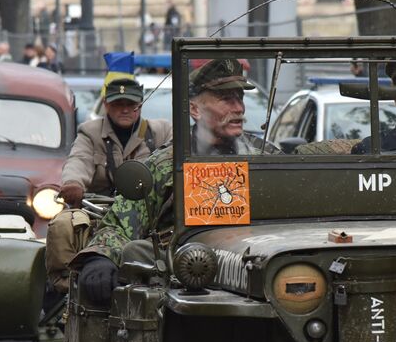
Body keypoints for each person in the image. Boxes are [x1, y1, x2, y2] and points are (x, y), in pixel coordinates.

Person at [73, 59, 277, 304]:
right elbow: (119, 224)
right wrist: (101, 258)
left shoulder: (266, 159)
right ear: (194, 109)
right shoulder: (166, 165)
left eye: (239, 98)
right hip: (182, 285)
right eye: (226, 99)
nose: (239, 108)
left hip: (261, 279)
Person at [45, 68, 173, 293]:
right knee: (64, 225)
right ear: (106, 104)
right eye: (117, 104)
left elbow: (175, 161)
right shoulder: (90, 132)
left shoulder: (162, 131)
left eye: (130, 104)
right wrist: (74, 183)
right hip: (98, 209)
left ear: (140, 105)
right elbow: (79, 159)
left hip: (148, 213)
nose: (124, 109)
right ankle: (66, 291)